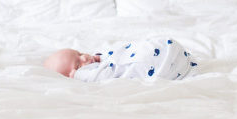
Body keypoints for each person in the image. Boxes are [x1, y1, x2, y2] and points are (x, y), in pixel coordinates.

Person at [43, 38, 198, 81]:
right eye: (78, 63)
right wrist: (79, 74)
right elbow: (104, 73)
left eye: (79, 53)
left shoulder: (97, 60)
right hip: (161, 65)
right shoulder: (88, 75)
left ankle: (170, 54)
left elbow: (119, 53)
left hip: (166, 50)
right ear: (73, 74)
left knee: (148, 48)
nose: (84, 57)